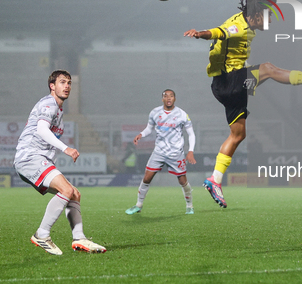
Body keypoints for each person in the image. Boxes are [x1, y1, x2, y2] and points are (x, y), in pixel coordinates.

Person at [184, 0, 302, 208]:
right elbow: (220, 32)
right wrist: (200, 33)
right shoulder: (239, 27)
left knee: (238, 135)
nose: (270, 19)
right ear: (256, 15)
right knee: (269, 69)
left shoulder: (246, 23)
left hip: (223, 84)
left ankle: (215, 179)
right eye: (268, 15)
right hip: (230, 80)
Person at [14, 70, 106, 255]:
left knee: (74, 194)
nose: (67, 86)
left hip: (38, 159)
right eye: (62, 82)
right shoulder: (49, 104)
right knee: (67, 190)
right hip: (30, 157)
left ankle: (79, 238)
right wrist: (66, 149)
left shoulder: (57, 109)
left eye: (69, 83)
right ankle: (42, 234)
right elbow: (41, 130)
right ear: (52, 86)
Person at [125, 89, 196, 215]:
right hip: (159, 152)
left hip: (176, 153)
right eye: (165, 96)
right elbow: (149, 129)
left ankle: (189, 206)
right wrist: (141, 134)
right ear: (162, 99)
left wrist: (190, 151)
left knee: (182, 180)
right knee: (147, 178)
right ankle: (138, 205)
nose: (168, 98)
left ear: (175, 98)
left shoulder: (182, 114)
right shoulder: (155, 112)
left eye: (171, 96)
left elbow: (191, 134)